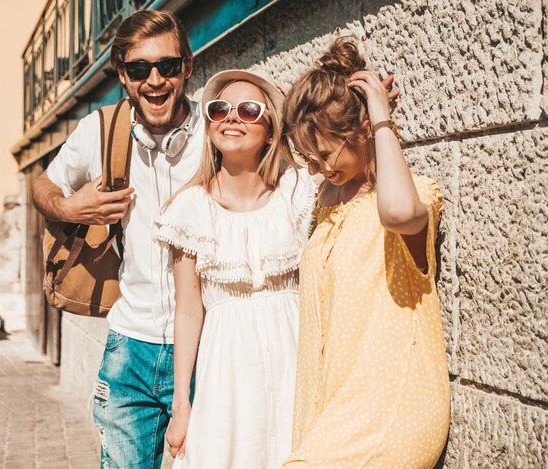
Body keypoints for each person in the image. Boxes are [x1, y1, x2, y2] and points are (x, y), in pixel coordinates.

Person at [31, 10, 204, 468]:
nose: (155, 80)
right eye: (139, 69)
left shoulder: (216, 131)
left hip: (209, 347)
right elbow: (41, 185)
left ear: (187, 67)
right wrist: (68, 208)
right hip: (130, 348)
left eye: (167, 66)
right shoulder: (100, 130)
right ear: (122, 75)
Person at [281, 37, 450, 468]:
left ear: (358, 132)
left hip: (389, 407)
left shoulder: (413, 197)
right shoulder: (327, 209)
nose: (317, 169)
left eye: (323, 156)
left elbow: (397, 212)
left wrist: (379, 119)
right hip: (331, 411)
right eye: (308, 159)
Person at [153, 69, 318, 468]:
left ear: (271, 128)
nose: (231, 117)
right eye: (219, 109)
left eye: (248, 110)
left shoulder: (298, 193)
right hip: (227, 374)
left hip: (296, 366)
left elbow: (338, 155)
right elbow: (189, 312)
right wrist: (181, 406)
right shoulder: (189, 209)